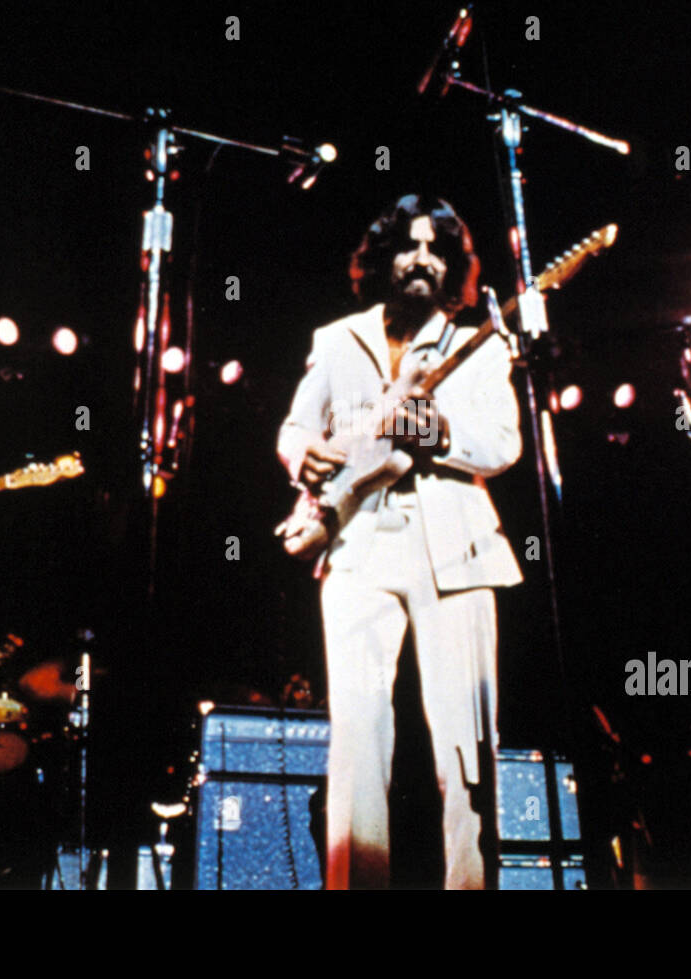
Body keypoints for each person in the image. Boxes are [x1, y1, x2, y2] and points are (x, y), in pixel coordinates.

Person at [277, 194, 523, 889]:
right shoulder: (336, 338)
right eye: (408, 246)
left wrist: (437, 432)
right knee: (356, 732)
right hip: (358, 536)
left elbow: (502, 444)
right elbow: (298, 427)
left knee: (465, 744)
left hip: (456, 543)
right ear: (383, 258)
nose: (421, 259)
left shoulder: (479, 342)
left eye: (436, 249)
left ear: (453, 267)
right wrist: (305, 457)